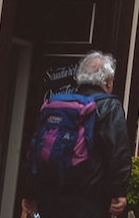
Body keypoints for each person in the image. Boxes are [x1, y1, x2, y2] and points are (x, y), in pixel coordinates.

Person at [22, 51, 131, 218]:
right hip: (87, 200)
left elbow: (35, 150)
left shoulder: (57, 104)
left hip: (50, 197)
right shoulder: (109, 106)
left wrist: (29, 192)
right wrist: (119, 192)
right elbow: (118, 153)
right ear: (108, 82)